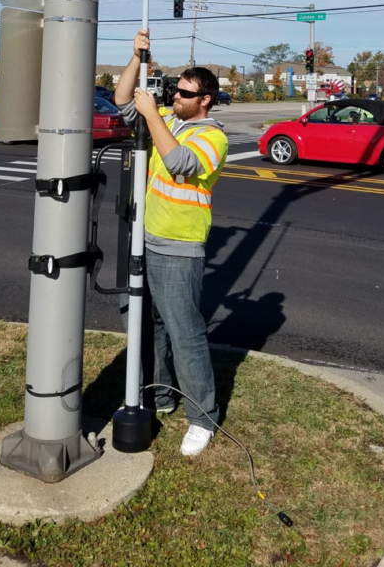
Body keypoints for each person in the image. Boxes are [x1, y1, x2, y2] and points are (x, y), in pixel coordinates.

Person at [114, 28, 229, 457]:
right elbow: (123, 102)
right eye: (175, 89)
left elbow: (179, 163)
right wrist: (136, 58)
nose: (176, 95)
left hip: (179, 247)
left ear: (206, 100)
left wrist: (155, 116)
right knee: (149, 325)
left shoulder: (212, 136)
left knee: (185, 333)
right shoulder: (170, 118)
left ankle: (203, 419)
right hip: (144, 237)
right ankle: (161, 396)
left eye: (185, 92)